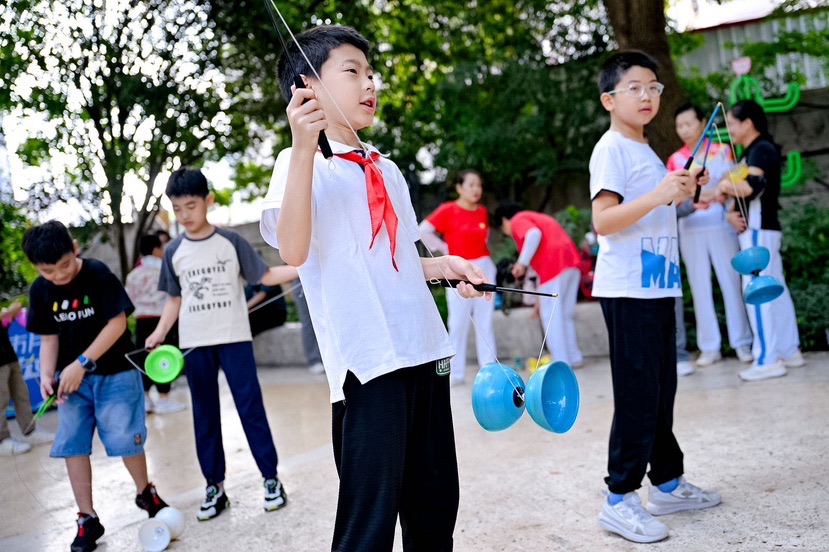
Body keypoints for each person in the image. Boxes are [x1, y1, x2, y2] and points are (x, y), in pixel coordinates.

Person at [260, 25, 490, 552]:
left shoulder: (387, 168)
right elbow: (293, 252)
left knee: (435, 508)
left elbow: (402, 261)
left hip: (425, 351)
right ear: (307, 87)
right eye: (352, 71)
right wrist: (300, 148)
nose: (370, 82)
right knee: (369, 523)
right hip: (368, 366)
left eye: (370, 72)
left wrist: (450, 266)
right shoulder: (301, 167)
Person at [589, 51, 721, 543]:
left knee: (662, 392)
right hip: (627, 291)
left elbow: (656, 207)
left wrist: (684, 189)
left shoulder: (645, 151)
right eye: (634, 87)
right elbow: (603, 220)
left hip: (657, 286)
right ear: (610, 99)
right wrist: (662, 193)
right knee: (639, 397)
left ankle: (666, 481)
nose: (646, 96)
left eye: (653, 88)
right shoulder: (612, 149)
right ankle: (619, 498)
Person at [145, 168, 298, 521]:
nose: (185, 216)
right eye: (178, 209)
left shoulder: (231, 242)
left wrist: (303, 267)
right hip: (195, 345)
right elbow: (173, 300)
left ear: (208, 201)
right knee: (205, 415)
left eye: (191, 206)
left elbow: (265, 277)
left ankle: (271, 480)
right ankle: (215, 487)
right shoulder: (174, 251)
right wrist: (158, 333)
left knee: (251, 409)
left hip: (234, 339)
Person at [23, 221, 169, 552]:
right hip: (71, 384)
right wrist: (48, 374)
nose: (59, 276)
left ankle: (145, 492)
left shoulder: (98, 274)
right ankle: (87, 518)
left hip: (115, 373)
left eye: (64, 266)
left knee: (124, 438)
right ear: (37, 268)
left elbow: (117, 323)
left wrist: (82, 363)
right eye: (49, 271)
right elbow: (49, 338)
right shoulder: (40, 291)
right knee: (72, 444)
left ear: (74, 248)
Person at [708, 99, 803, 381]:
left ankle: (768, 359)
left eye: (733, 124)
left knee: (757, 292)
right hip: (762, 229)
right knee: (775, 290)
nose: (730, 131)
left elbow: (750, 188)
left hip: (758, 230)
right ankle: (789, 350)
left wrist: (724, 184)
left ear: (747, 123)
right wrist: (728, 210)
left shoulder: (760, 150)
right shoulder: (755, 151)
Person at [667, 103, 753, 370]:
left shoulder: (723, 150)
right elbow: (676, 196)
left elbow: (733, 185)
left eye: (689, 124)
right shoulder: (676, 159)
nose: (685, 130)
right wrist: (706, 195)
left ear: (703, 123)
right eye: (680, 126)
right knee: (699, 287)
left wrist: (722, 201)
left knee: (731, 282)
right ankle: (709, 346)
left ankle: (742, 342)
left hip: (719, 223)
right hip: (690, 227)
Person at [419, 170, 497, 386]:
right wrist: (444, 250)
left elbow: (484, 237)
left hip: (483, 266)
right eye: (471, 185)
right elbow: (423, 230)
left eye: (479, 185)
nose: (476, 190)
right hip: (456, 270)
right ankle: (456, 373)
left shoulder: (482, 211)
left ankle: (489, 370)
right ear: (459, 188)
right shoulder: (448, 210)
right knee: (458, 322)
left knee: (485, 322)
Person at [494, 203, 584, 367]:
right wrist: (538, 300)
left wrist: (521, 263)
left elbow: (533, 234)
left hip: (553, 267)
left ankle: (561, 363)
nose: (508, 233)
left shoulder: (517, 219)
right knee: (565, 315)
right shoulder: (537, 217)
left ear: (504, 220)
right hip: (571, 264)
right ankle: (574, 357)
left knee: (551, 318)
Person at [125, 233, 186, 414]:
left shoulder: (134, 275)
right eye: (160, 248)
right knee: (166, 358)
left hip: (142, 321)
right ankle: (164, 398)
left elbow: (130, 299)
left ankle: (145, 399)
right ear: (156, 249)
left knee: (145, 359)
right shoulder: (165, 270)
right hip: (164, 320)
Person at [0, 300, 54, 456]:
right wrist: (10, 312)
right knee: (1, 400)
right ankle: (2, 439)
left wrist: (10, 317)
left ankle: (30, 430)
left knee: (21, 395)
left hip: (9, 356)